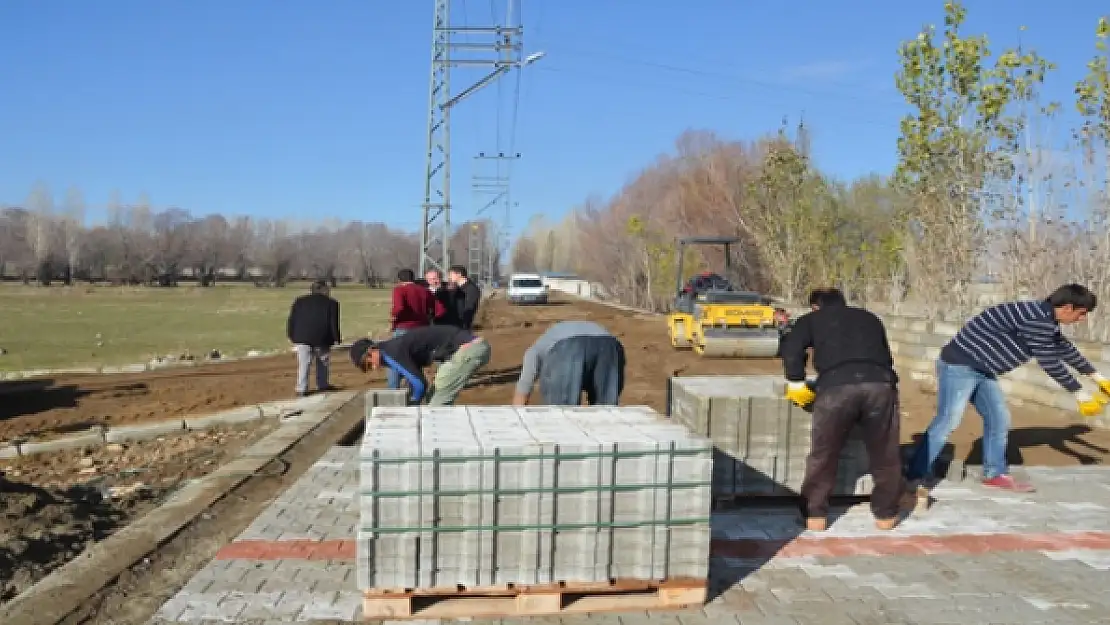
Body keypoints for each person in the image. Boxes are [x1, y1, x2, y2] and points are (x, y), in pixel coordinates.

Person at [905, 284, 1108, 493]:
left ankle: (994, 474)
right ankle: (916, 474)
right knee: (949, 420)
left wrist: (1097, 378)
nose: (1082, 319)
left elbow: (1064, 348)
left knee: (998, 418)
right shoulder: (1037, 319)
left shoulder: (1045, 318)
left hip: (982, 370)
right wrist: (1079, 393)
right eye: (1082, 314)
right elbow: (1049, 361)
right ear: (1067, 308)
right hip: (960, 366)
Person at [780, 288, 906, 532]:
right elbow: (886, 356)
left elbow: (791, 349)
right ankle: (886, 515)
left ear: (816, 306)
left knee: (824, 453)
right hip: (880, 386)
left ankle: (815, 515)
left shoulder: (811, 320)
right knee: (886, 452)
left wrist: (795, 381)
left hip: (836, 389)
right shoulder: (869, 318)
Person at [349, 325, 491, 406]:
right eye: (369, 367)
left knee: (437, 404)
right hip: (472, 348)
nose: (374, 367)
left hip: (471, 349)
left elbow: (419, 384)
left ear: (372, 350)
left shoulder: (391, 353)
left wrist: (413, 404)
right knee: (433, 397)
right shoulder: (390, 349)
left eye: (369, 363)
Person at [513, 321, 625, 406]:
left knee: (563, 413)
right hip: (610, 345)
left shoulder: (539, 347)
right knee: (605, 412)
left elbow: (526, 379)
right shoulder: (553, 335)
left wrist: (517, 415)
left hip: (570, 347)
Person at [286, 280, 341, 397]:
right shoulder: (332, 303)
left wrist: (291, 335)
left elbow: (292, 320)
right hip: (322, 337)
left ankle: (302, 388)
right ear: (323, 289)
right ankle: (322, 385)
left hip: (302, 337)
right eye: (327, 289)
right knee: (323, 362)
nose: (329, 291)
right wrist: (337, 338)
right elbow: (333, 323)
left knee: (304, 363)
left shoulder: (299, 301)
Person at [387, 269, 435, 390]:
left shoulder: (400, 290)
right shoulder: (425, 291)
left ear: (400, 280)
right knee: (414, 360)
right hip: (421, 329)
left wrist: (393, 317)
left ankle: (393, 389)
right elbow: (433, 308)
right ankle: (416, 388)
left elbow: (399, 308)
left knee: (395, 359)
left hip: (404, 327)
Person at [447, 265, 482, 330]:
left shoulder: (471, 289)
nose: (449, 277)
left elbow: (469, 307)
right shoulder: (457, 288)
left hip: (462, 325)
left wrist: (464, 324)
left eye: (451, 274)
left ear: (459, 274)